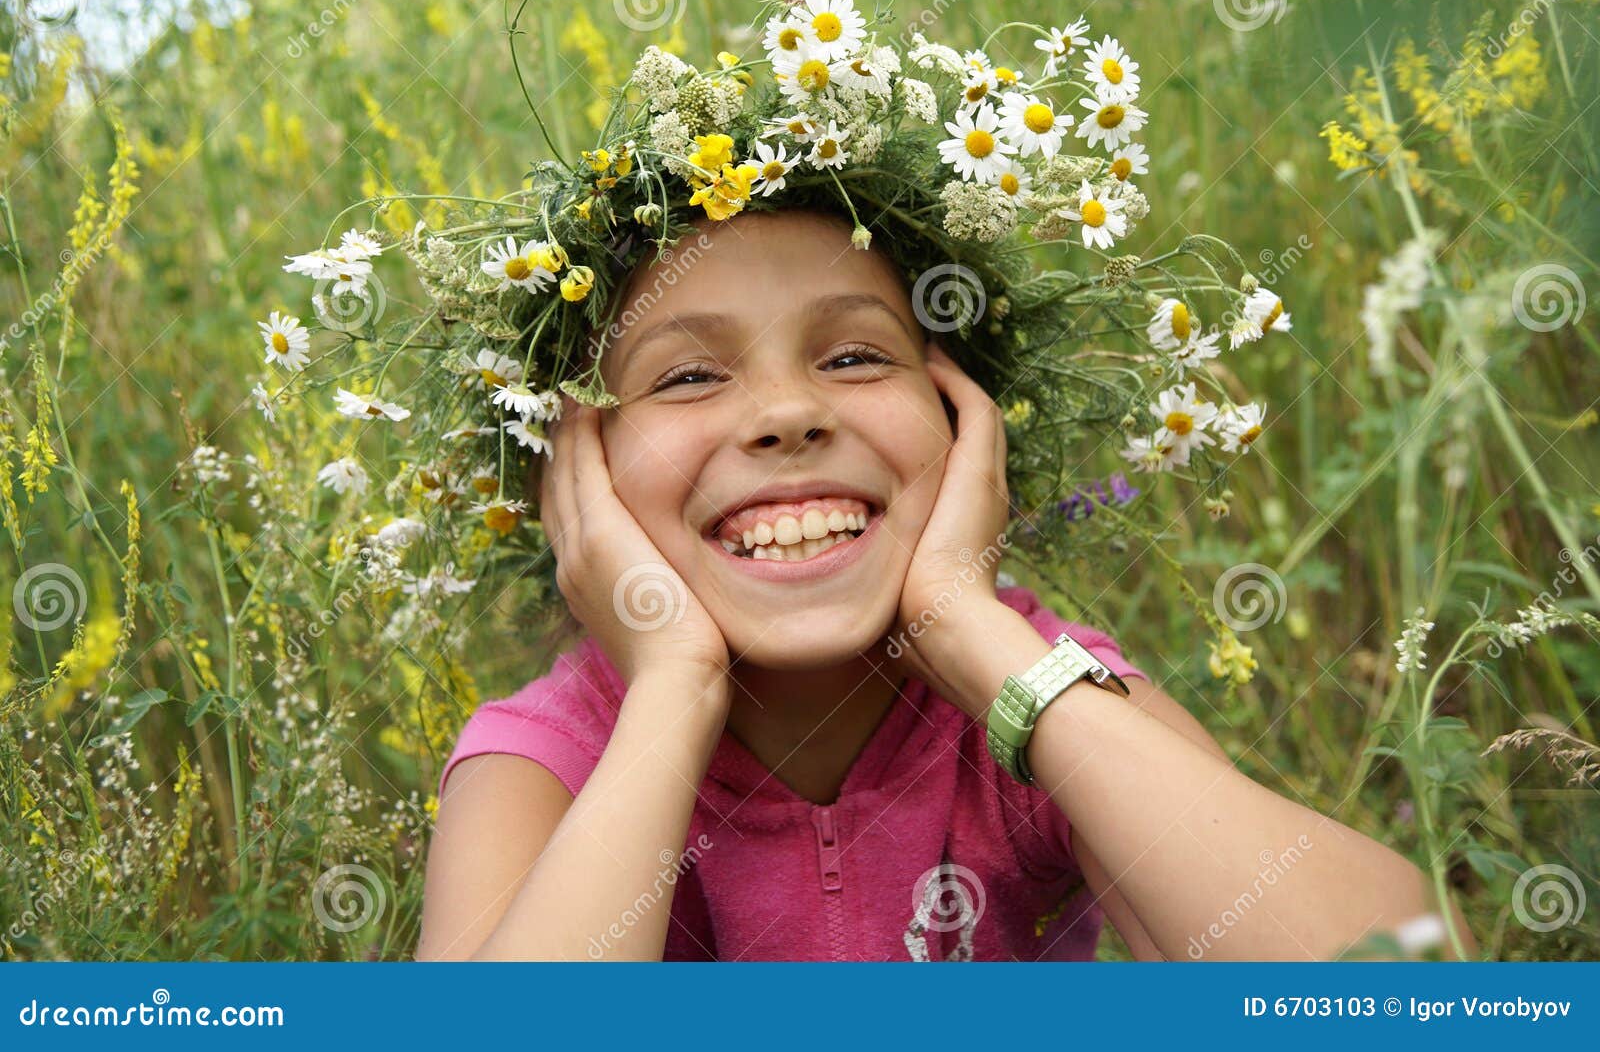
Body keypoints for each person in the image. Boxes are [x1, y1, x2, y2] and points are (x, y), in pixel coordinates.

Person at [415, 206, 1470, 961]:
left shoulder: (1036, 694)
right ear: (571, 476)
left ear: (966, 428)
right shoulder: (545, 762)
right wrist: (671, 689)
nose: (787, 413)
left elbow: (1399, 972)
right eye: (688, 375)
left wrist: (964, 624)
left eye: (856, 358)